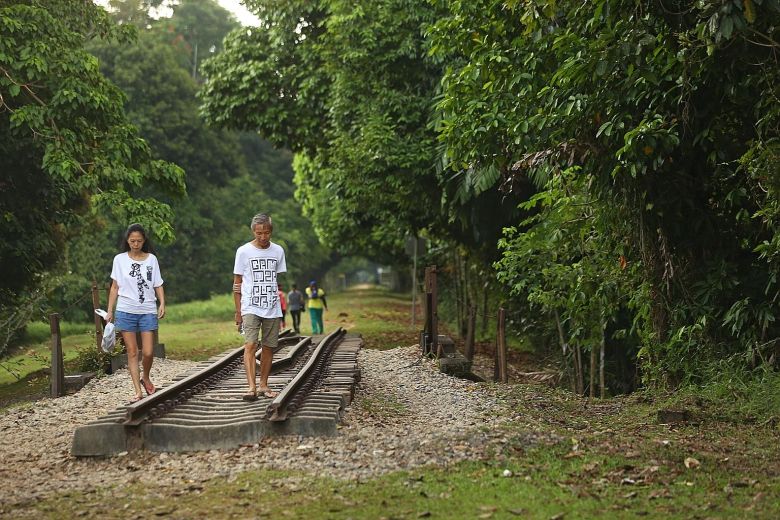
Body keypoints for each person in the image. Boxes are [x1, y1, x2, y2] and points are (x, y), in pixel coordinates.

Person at [106, 223, 166, 402]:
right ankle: (138, 391)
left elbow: (158, 283)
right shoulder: (119, 260)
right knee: (132, 352)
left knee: (148, 352)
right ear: (127, 241)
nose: (135, 244)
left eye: (139, 241)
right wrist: (110, 310)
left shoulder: (151, 260)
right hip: (125, 310)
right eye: (132, 241)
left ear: (144, 241)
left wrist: (162, 303)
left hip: (147, 309)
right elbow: (115, 286)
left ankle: (145, 376)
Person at [233, 213, 286, 401]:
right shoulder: (243, 251)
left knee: (269, 347)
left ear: (271, 231)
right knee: (250, 344)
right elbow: (237, 282)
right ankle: (251, 387)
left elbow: (276, 279)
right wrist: (238, 310)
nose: (263, 237)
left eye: (266, 233)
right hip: (250, 306)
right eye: (259, 233)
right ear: (253, 232)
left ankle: (263, 384)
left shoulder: (278, 251)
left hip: (272, 307)